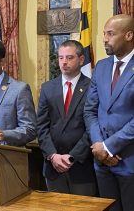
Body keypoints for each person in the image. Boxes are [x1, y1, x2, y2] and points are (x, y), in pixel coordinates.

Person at [84, 14, 134, 211]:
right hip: (102, 162)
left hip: (129, 160)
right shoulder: (102, 67)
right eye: (104, 34)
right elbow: (90, 110)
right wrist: (100, 148)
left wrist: (109, 146)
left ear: (129, 35)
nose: (105, 38)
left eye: (111, 34)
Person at [37, 40, 97, 196]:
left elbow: (93, 126)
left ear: (81, 59)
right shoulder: (47, 88)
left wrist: (72, 157)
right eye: (61, 57)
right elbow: (41, 126)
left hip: (81, 166)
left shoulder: (92, 87)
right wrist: (52, 155)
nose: (64, 62)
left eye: (69, 57)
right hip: (53, 166)